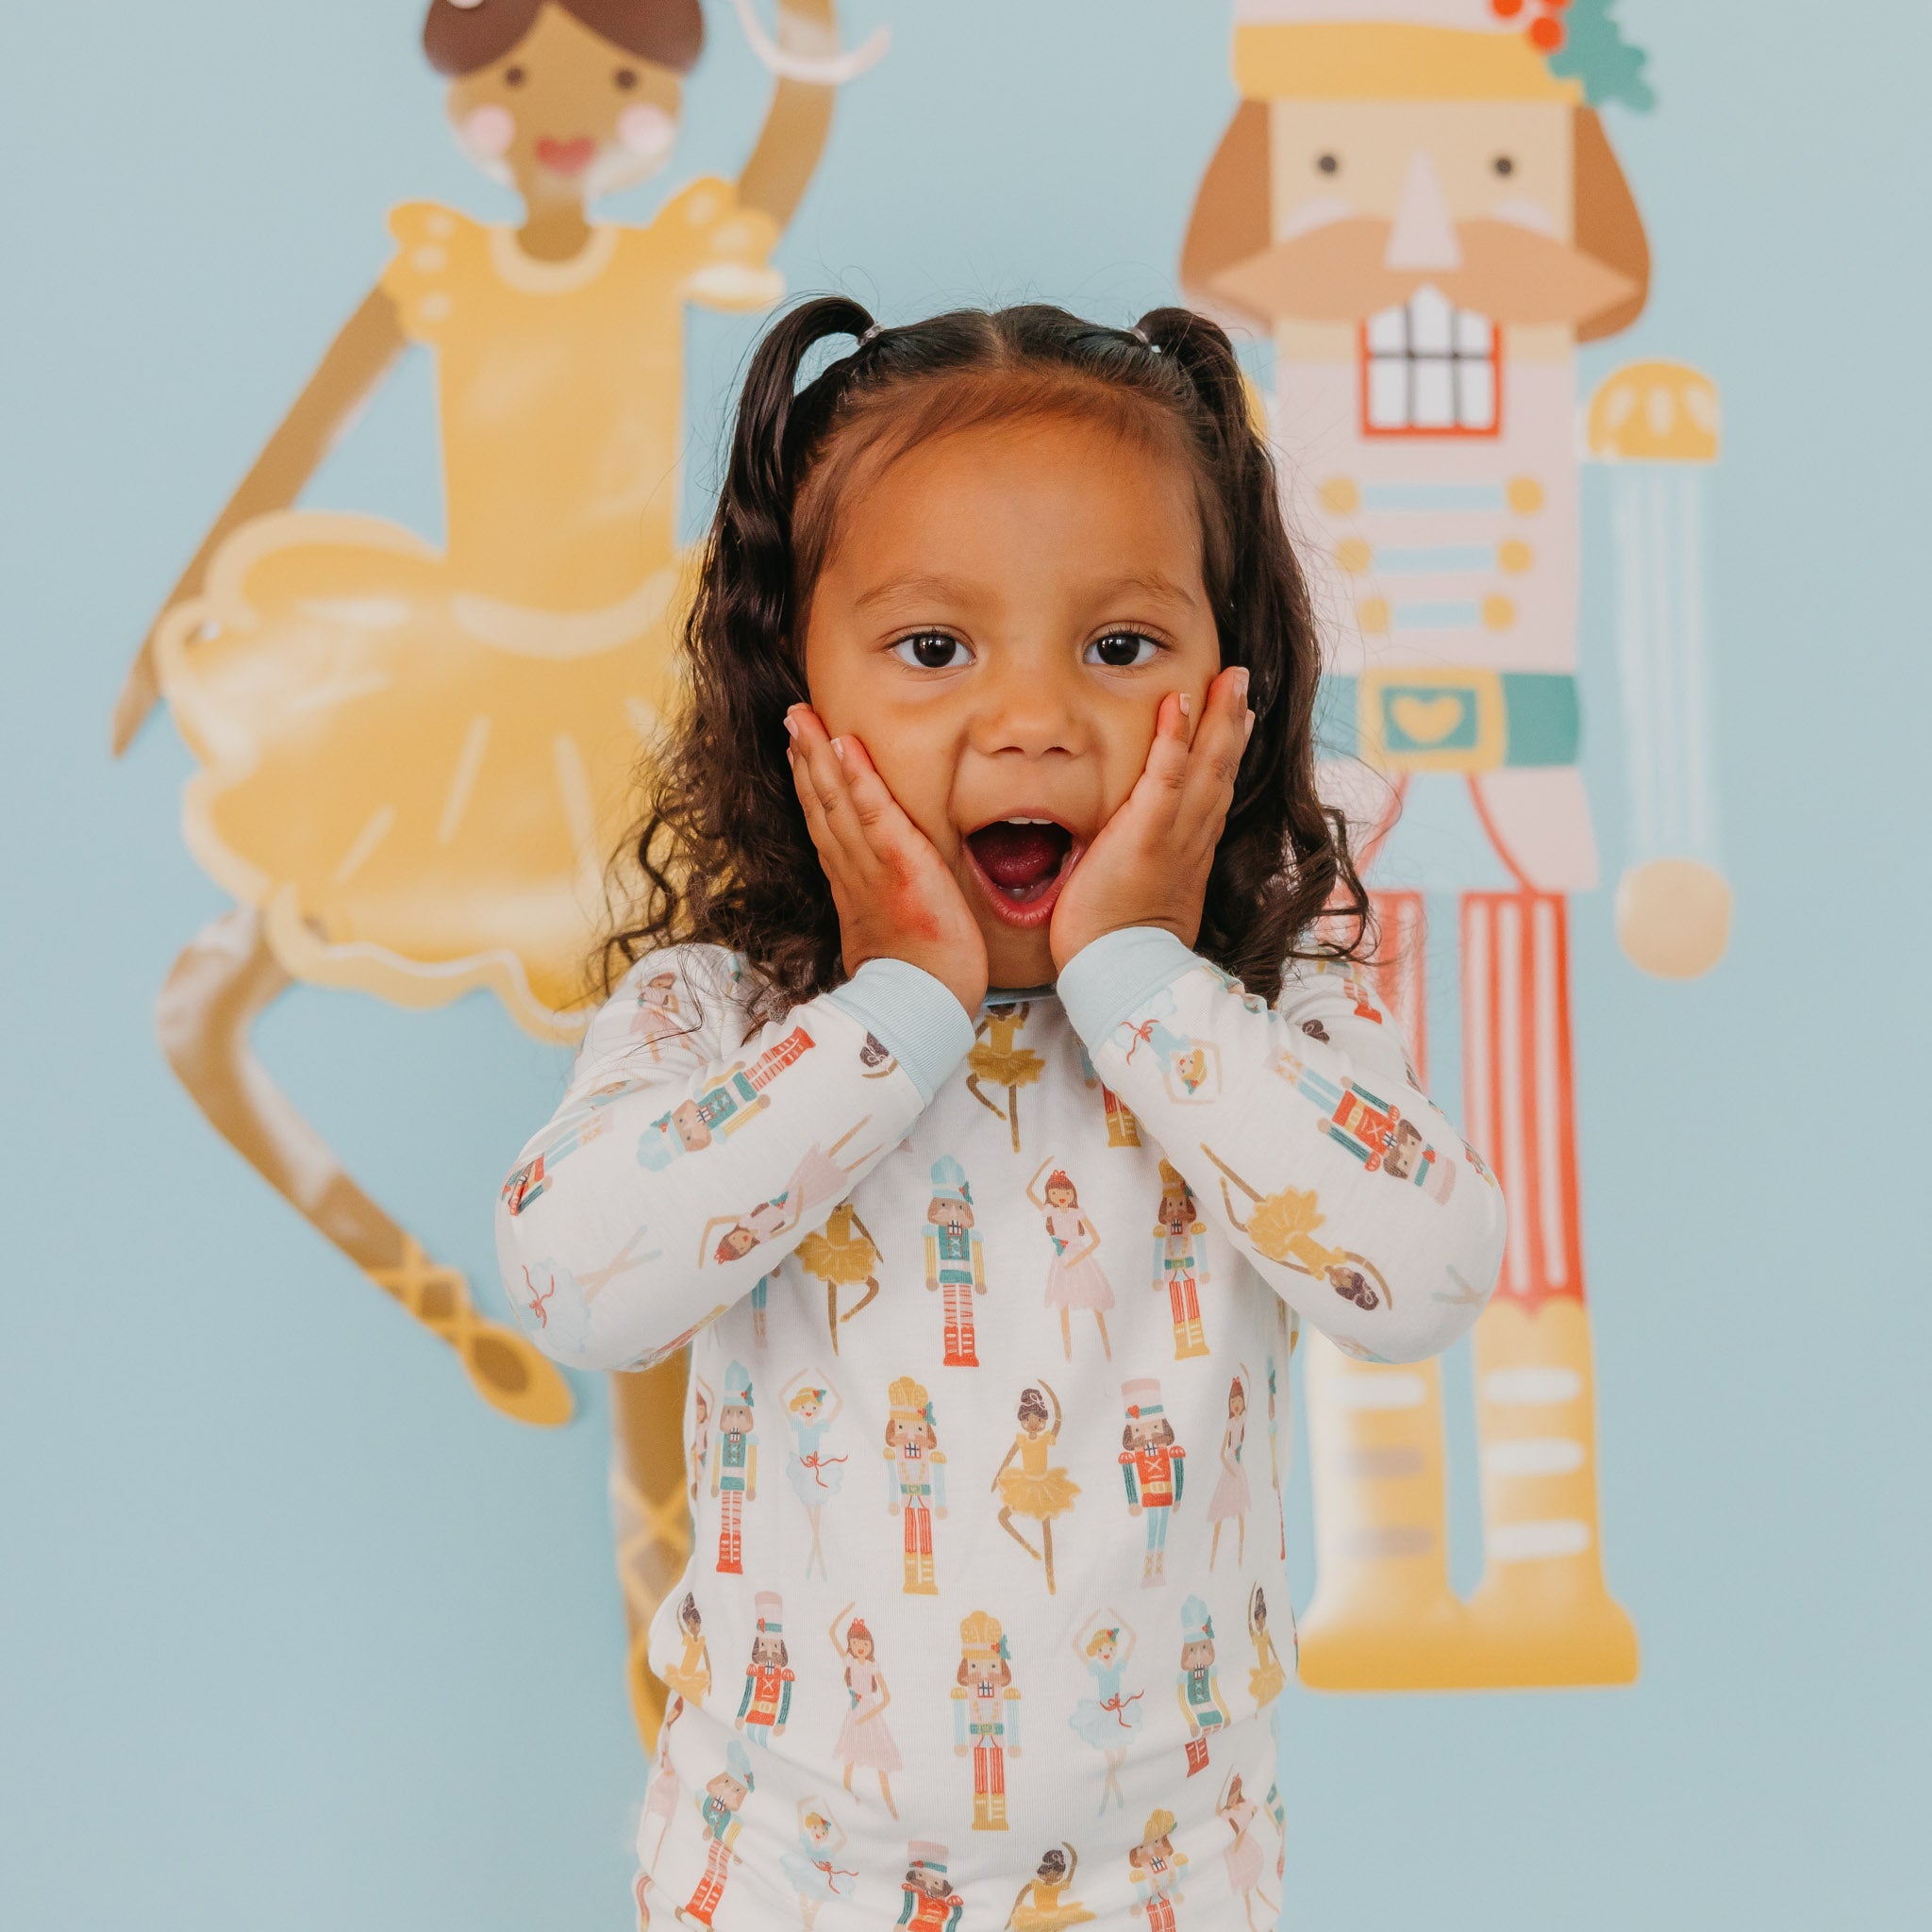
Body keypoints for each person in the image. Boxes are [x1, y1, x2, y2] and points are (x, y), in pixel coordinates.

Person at [495, 297, 1507, 1921]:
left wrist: (1140, 977)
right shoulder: (725, 1016)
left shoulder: (1266, 1017)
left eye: (1120, 649)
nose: (1034, 718)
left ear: (1233, 685)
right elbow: (577, 1283)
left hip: (1169, 1882)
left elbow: (1432, 1275)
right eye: (933, 649)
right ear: (790, 685)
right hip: (778, 1874)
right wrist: (896, 1007)